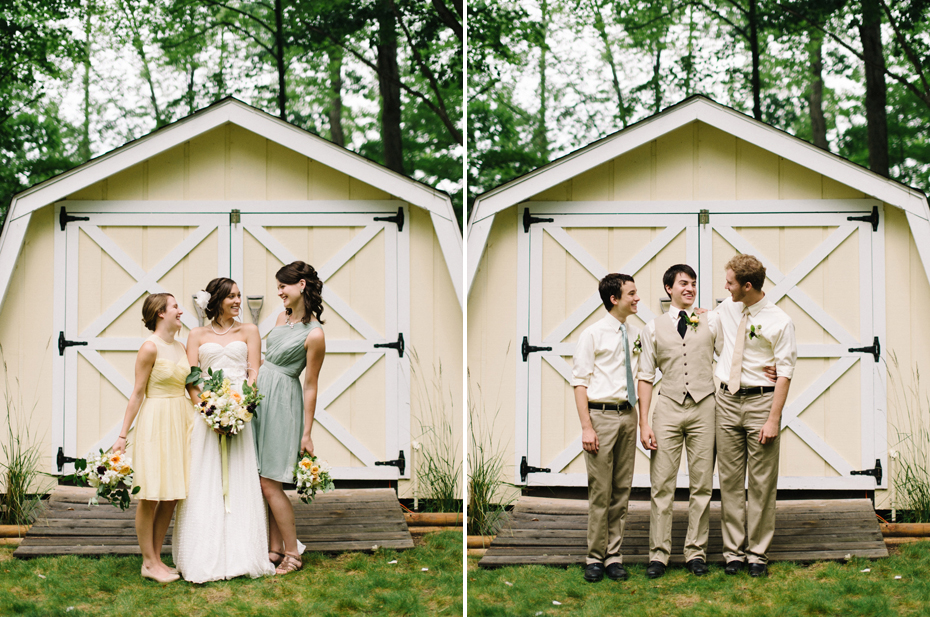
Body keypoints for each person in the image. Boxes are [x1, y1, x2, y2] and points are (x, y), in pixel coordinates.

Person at [172, 278, 276, 583]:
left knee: (240, 480)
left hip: (240, 416)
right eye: (231, 296)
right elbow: (192, 379)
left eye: (239, 296)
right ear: (216, 300)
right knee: (205, 481)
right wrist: (209, 412)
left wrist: (241, 410)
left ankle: (244, 554)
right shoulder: (197, 334)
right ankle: (203, 556)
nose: (237, 301)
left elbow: (253, 373)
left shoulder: (249, 331)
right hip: (207, 416)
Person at [714, 254, 796, 578]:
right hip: (726, 402)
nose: (725, 287)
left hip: (762, 403)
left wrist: (774, 419)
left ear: (747, 286)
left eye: (730, 282)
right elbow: (704, 328)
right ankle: (733, 552)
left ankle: (757, 554)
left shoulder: (780, 321)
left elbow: (786, 371)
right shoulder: (726, 308)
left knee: (761, 483)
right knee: (730, 482)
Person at [637, 265, 718, 579]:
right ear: (669, 288)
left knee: (702, 486)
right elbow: (645, 376)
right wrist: (645, 422)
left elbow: (732, 355)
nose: (690, 288)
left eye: (694, 284)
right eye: (684, 283)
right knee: (661, 487)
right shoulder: (653, 328)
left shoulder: (711, 321)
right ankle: (659, 555)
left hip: (704, 407)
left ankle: (695, 553)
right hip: (668, 408)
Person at [112, 293, 192, 584]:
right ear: (160, 312)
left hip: (180, 419)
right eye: (175, 307)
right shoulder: (149, 348)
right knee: (150, 495)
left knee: (171, 494)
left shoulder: (182, 347)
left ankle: (157, 559)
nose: (180, 311)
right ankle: (148, 562)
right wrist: (122, 435)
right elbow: (137, 393)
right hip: (156, 420)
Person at [253, 261, 326, 575]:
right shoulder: (281, 318)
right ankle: (274, 549)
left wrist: (306, 433)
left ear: (302, 286)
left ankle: (293, 553)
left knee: (270, 482)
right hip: (261, 398)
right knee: (262, 479)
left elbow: (310, 385)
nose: (279, 292)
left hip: (284, 402)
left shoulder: (316, 334)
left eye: (283, 286)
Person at [571, 273, 640, 583]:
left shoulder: (636, 333)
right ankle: (594, 558)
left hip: (629, 416)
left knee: (622, 489)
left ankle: (614, 556)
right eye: (632, 294)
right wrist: (587, 427)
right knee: (601, 490)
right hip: (601, 417)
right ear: (615, 299)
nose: (637, 298)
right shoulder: (593, 335)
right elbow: (580, 382)